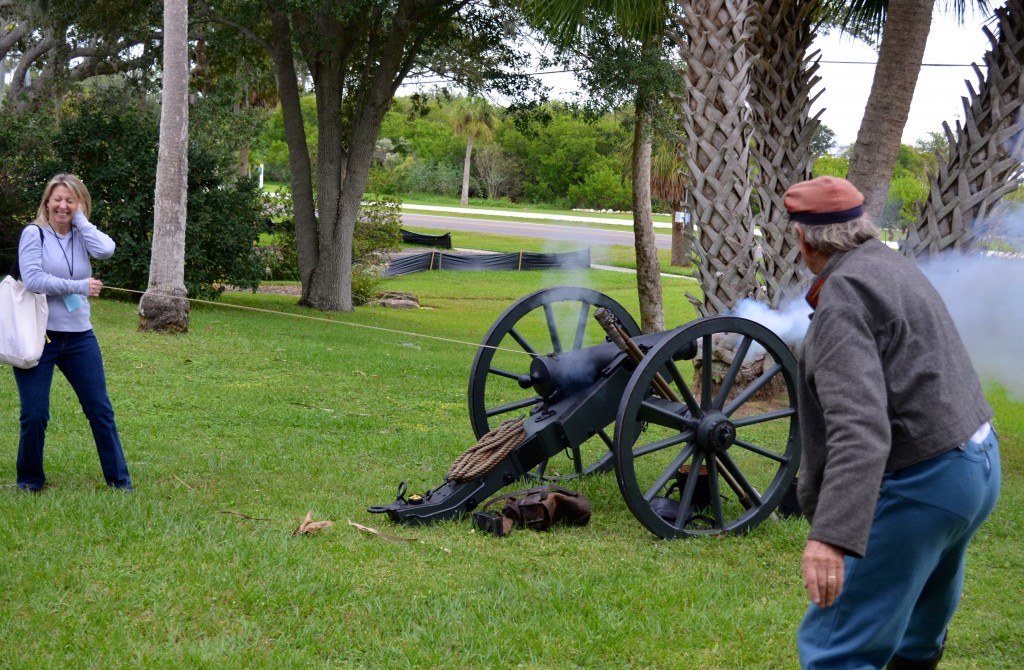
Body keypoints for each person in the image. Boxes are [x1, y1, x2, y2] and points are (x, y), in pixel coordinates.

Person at [784, 176, 1000, 669]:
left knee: (838, 650)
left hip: (925, 482)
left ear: (801, 237)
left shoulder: (842, 299)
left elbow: (860, 431)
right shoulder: (889, 264)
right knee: (917, 637)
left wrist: (831, 536)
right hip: (977, 465)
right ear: (861, 226)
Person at [13, 173, 132, 492]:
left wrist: (80, 220)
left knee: (100, 410)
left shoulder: (82, 234)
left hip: (80, 337)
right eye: (58, 199)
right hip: (40, 336)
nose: (62, 205)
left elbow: (106, 249)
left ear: (80, 204)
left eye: (70, 199)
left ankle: (120, 482)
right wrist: (78, 286)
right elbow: (34, 279)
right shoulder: (33, 233)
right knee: (35, 414)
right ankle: (29, 481)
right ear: (47, 202)